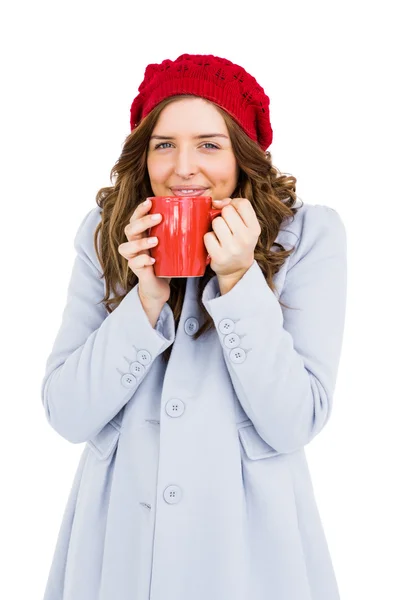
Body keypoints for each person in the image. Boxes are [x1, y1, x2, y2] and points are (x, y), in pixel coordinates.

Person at [40, 53, 347, 600]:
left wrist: (238, 278)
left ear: (243, 154)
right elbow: (66, 413)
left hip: (249, 555)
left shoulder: (306, 237)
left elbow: (295, 420)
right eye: (164, 144)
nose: (184, 167)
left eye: (209, 144)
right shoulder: (105, 233)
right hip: (118, 550)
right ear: (144, 154)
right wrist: (147, 295)